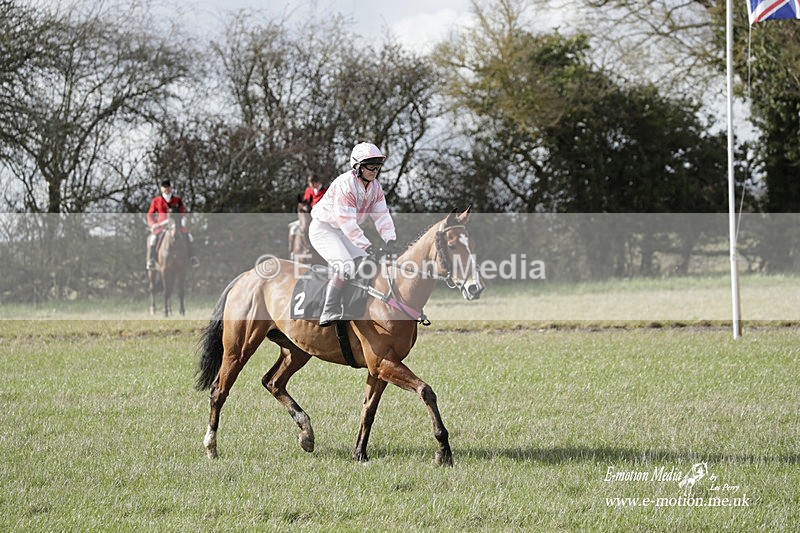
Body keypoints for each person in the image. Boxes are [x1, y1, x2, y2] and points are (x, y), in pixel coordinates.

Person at [309, 142, 401, 326]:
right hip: (324, 229)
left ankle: (354, 305)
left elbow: (382, 215)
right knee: (346, 266)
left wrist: (391, 240)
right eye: (370, 166)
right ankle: (329, 309)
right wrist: (367, 246)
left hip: (344, 232)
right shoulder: (346, 185)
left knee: (368, 264)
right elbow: (347, 222)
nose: (375, 170)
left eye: (378, 166)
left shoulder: (375, 187)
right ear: (357, 166)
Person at [146, 180, 200, 270]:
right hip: (161, 225)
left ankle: (192, 257)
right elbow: (150, 214)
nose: (166, 189)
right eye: (164, 187)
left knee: (189, 237)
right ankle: (151, 260)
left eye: (168, 187)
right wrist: (153, 224)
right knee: (152, 239)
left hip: (175, 225)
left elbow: (182, 212)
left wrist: (181, 220)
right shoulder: (156, 201)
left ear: (171, 188)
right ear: (161, 188)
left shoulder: (177, 200)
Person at [288, 175, 327, 257]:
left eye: (314, 184)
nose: (312, 186)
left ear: (318, 182)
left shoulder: (325, 191)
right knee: (293, 228)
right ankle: (292, 251)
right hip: (308, 215)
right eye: (310, 184)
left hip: (321, 216)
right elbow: (305, 203)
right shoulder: (309, 190)